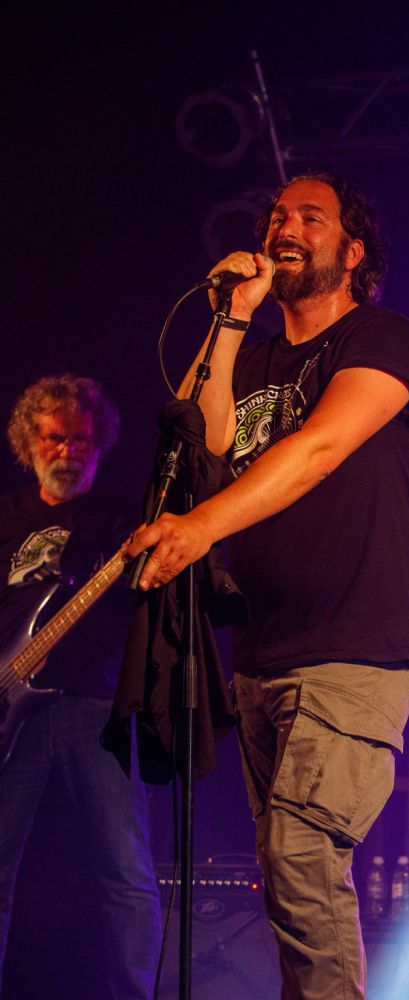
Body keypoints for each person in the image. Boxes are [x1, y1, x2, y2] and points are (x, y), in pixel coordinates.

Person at [126, 172, 409, 999]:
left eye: (310, 216)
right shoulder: (256, 358)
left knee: (299, 861)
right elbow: (198, 444)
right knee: (290, 883)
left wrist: (199, 529)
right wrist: (231, 317)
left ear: (353, 251)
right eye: (276, 216)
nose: (284, 226)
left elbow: (319, 449)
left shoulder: (384, 339)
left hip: (353, 655)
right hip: (262, 660)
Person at [0, 374, 160, 999]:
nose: (67, 451)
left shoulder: (120, 521)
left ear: (100, 444)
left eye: (80, 441)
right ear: (29, 442)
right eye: (54, 438)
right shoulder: (7, 516)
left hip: (93, 706)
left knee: (124, 871)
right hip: (9, 710)